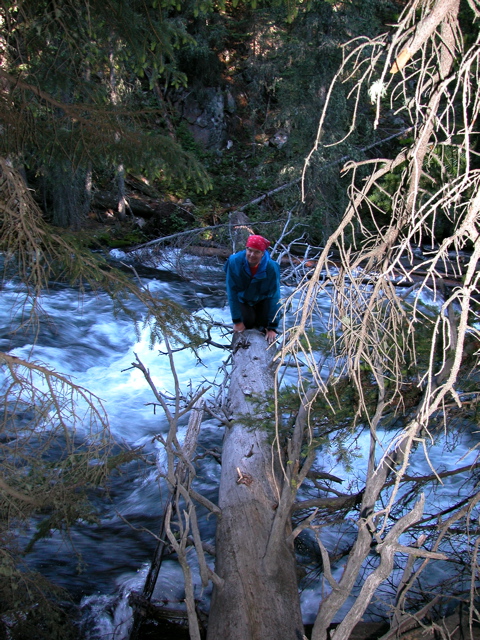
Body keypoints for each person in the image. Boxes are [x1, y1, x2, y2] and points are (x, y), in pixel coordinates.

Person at [225, 234, 281, 344]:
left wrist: (272, 327)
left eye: (257, 252)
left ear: (263, 253)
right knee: (248, 323)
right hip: (244, 298)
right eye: (249, 250)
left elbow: (275, 296)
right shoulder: (234, 262)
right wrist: (237, 321)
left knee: (263, 325)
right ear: (246, 248)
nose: (252, 255)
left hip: (263, 298)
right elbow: (232, 292)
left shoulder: (271, 267)